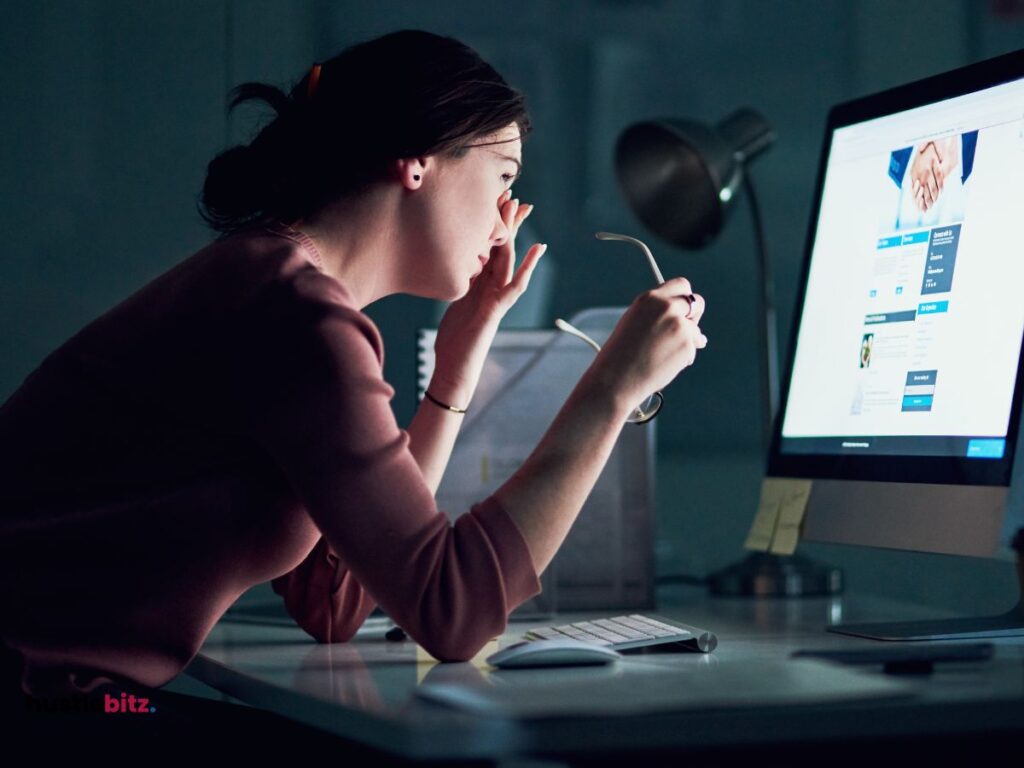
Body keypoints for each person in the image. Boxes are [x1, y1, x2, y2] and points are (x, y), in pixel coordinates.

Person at [0, 29, 706, 742]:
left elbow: (334, 604)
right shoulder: (297, 317)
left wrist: (459, 358)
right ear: (420, 162)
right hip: (50, 702)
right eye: (504, 177)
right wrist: (611, 389)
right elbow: (451, 613)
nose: (506, 222)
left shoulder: (272, 284)